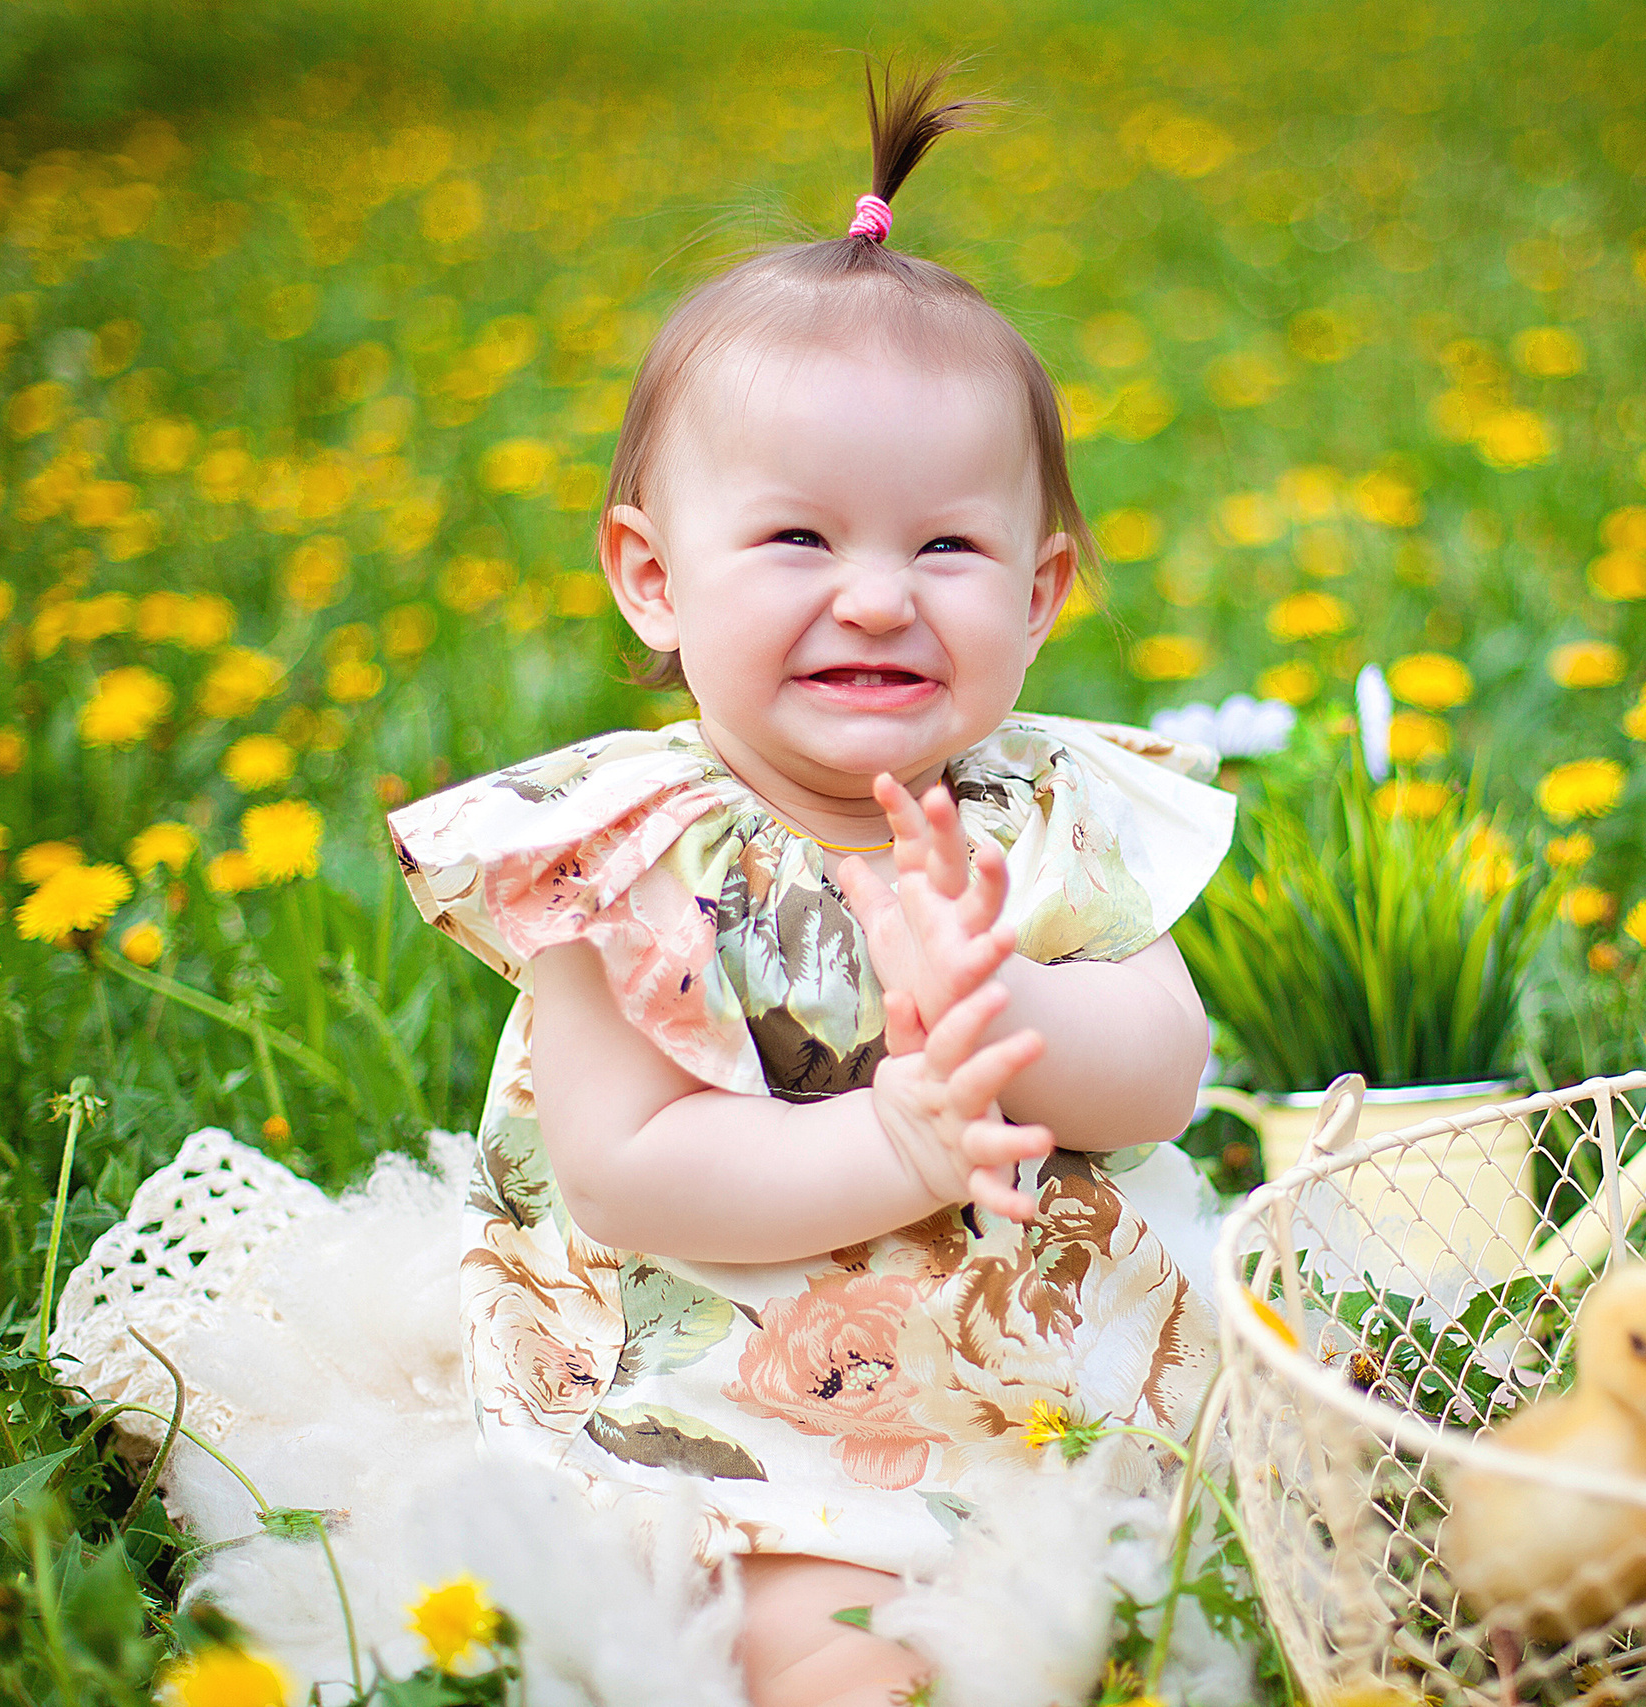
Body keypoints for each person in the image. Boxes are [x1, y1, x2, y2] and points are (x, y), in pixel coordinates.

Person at [387, 62, 1237, 1707]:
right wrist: (897, 1140)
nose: (872, 598)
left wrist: (1001, 1000)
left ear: (1043, 590)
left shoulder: (1044, 808)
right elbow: (626, 1171)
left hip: (1041, 1333)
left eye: (945, 549)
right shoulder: (623, 850)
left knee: (1192, 1547)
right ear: (653, 577)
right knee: (826, 1628)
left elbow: (1169, 1065)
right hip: (728, 1351)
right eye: (795, 543)